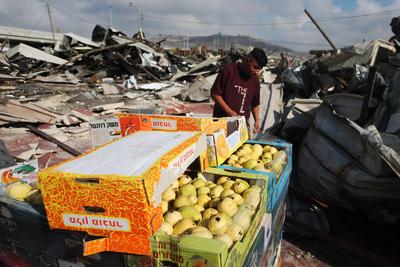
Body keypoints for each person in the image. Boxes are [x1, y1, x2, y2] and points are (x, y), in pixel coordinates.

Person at [211, 47, 268, 133]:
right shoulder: (228, 70)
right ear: (248, 59)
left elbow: (255, 103)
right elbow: (215, 93)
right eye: (255, 67)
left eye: (259, 69)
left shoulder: (255, 80)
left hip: (242, 127)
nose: (257, 72)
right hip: (221, 124)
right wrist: (229, 111)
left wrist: (257, 120)